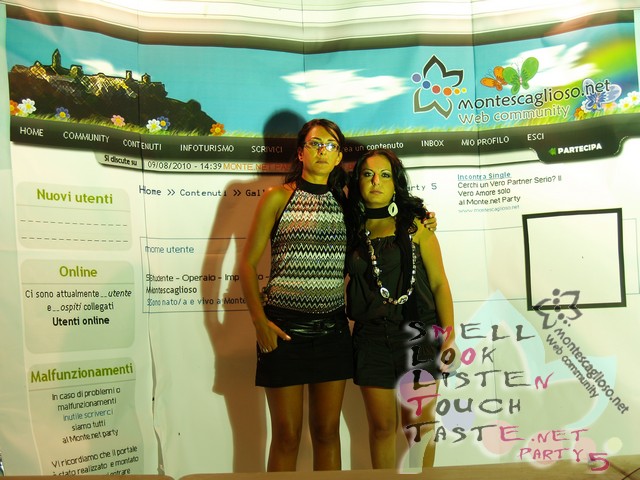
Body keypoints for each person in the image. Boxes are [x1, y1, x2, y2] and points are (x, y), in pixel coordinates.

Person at [239, 118, 353, 471]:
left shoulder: (347, 202)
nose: (323, 151)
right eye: (315, 144)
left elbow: (387, 223)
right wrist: (259, 321)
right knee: (287, 435)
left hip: (332, 330)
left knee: (327, 433)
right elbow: (247, 264)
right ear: (301, 153)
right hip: (283, 329)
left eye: (331, 146)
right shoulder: (278, 197)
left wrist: (424, 219)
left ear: (339, 157)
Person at [345, 148, 455, 470]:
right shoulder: (350, 229)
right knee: (381, 428)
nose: (375, 182)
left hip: (418, 336)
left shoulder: (416, 227)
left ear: (396, 183)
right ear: (358, 182)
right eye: (368, 175)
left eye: (385, 175)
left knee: (419, 428)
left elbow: (439, 284)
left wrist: (448, 336)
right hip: (370, 339)